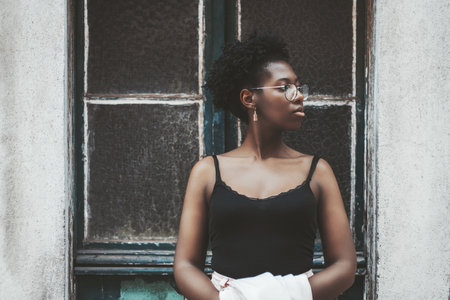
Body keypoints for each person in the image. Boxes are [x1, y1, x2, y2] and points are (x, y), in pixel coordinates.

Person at [173, 33, 356, 300]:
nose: (299, 96)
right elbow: (185, 266)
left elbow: (344, 267)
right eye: (285, 88)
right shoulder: (207, 172)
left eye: (298, 86)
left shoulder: (318, 172)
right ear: (249, 99)